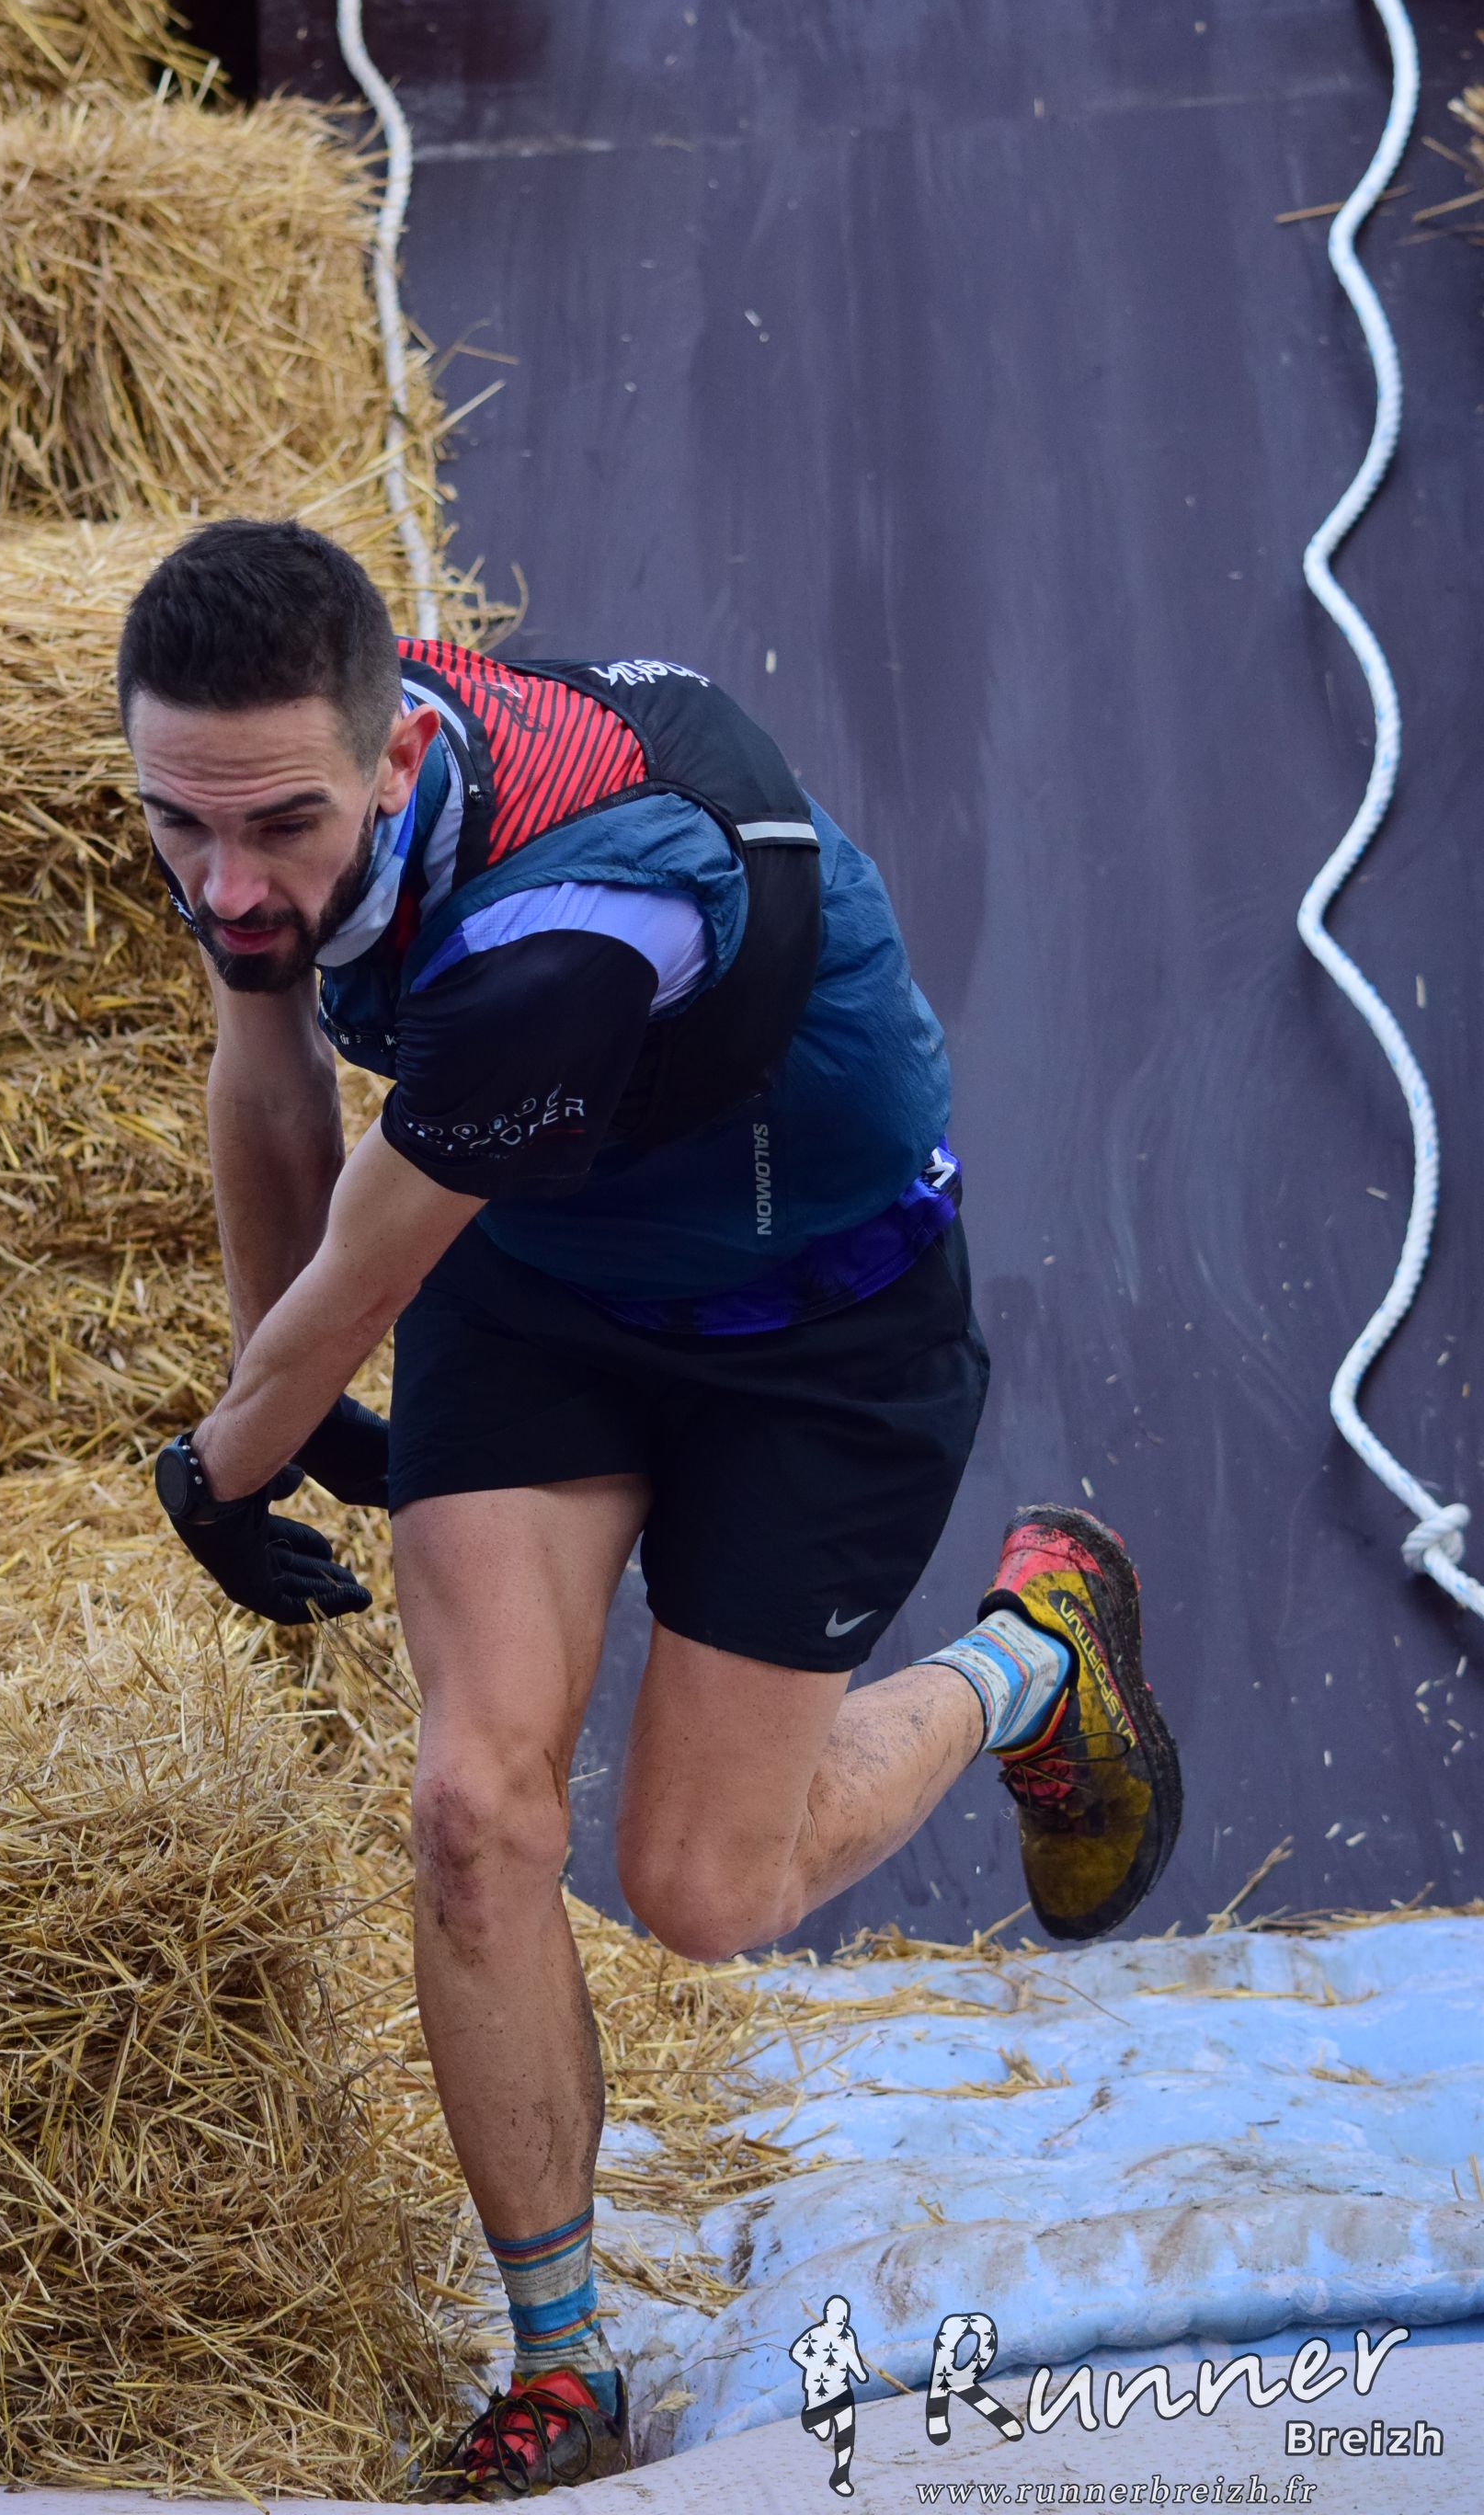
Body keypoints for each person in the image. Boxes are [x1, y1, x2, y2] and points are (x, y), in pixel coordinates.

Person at [120, 518, 1182, 2501]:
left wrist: (229, 1453)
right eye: (180, 822)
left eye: (274, 826)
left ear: (398, 755)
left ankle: (1033, 1654)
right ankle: (563, 2368)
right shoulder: (247, 800)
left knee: (704, 1886)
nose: (226, 881)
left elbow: (369, 1262)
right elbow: (266, 1082)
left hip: (817, 1324)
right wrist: (285, 1391)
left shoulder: (570, 926)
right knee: (473, 1804)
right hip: (545, 1285)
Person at [791, 2294, 871, 2496]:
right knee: (822, 2430)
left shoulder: (848, 2335)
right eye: (837, 2316)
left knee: (846, 2432)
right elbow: (796, 2353)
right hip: (820, 2392)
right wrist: (816, 2365)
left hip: (843, 2390)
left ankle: (840, 2476)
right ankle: (811, 2418)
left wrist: (861, 2374)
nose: (842, 2320)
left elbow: (852, 2357)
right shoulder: (815, 2334)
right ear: (828, 2315)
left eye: (844, 2316)